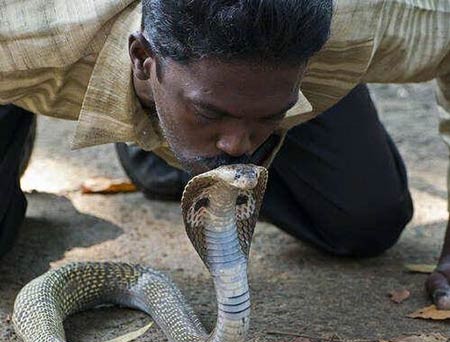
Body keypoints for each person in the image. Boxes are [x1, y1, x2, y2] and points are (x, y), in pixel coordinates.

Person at [0, 1, 449, 308]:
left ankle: (172, 145)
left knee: (364, 221)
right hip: (28, 72)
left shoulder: (364, 18)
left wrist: (264, 109)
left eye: (266, 117)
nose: (238, 146)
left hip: (259, 75)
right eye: (209, 113)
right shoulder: (24, 32)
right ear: (142, 58)